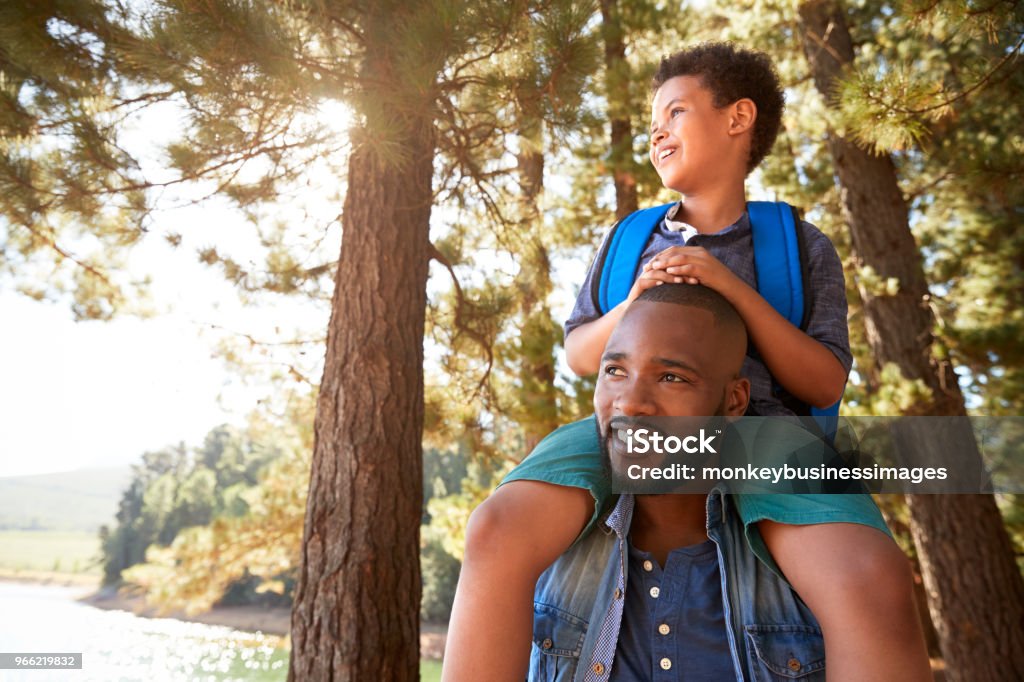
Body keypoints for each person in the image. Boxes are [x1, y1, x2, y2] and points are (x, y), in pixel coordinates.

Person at [443, 43, 930, 681]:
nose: (657, 131)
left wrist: (730, 288)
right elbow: (580, 354)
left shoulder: (799, 244)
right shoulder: (626, 241)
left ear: (738, 118)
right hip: (625, 428)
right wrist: (636, 300)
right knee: (497, 530)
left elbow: (823, 379)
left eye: (675, 112)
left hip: (763, 439)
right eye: (653, 121)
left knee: (867, 575)